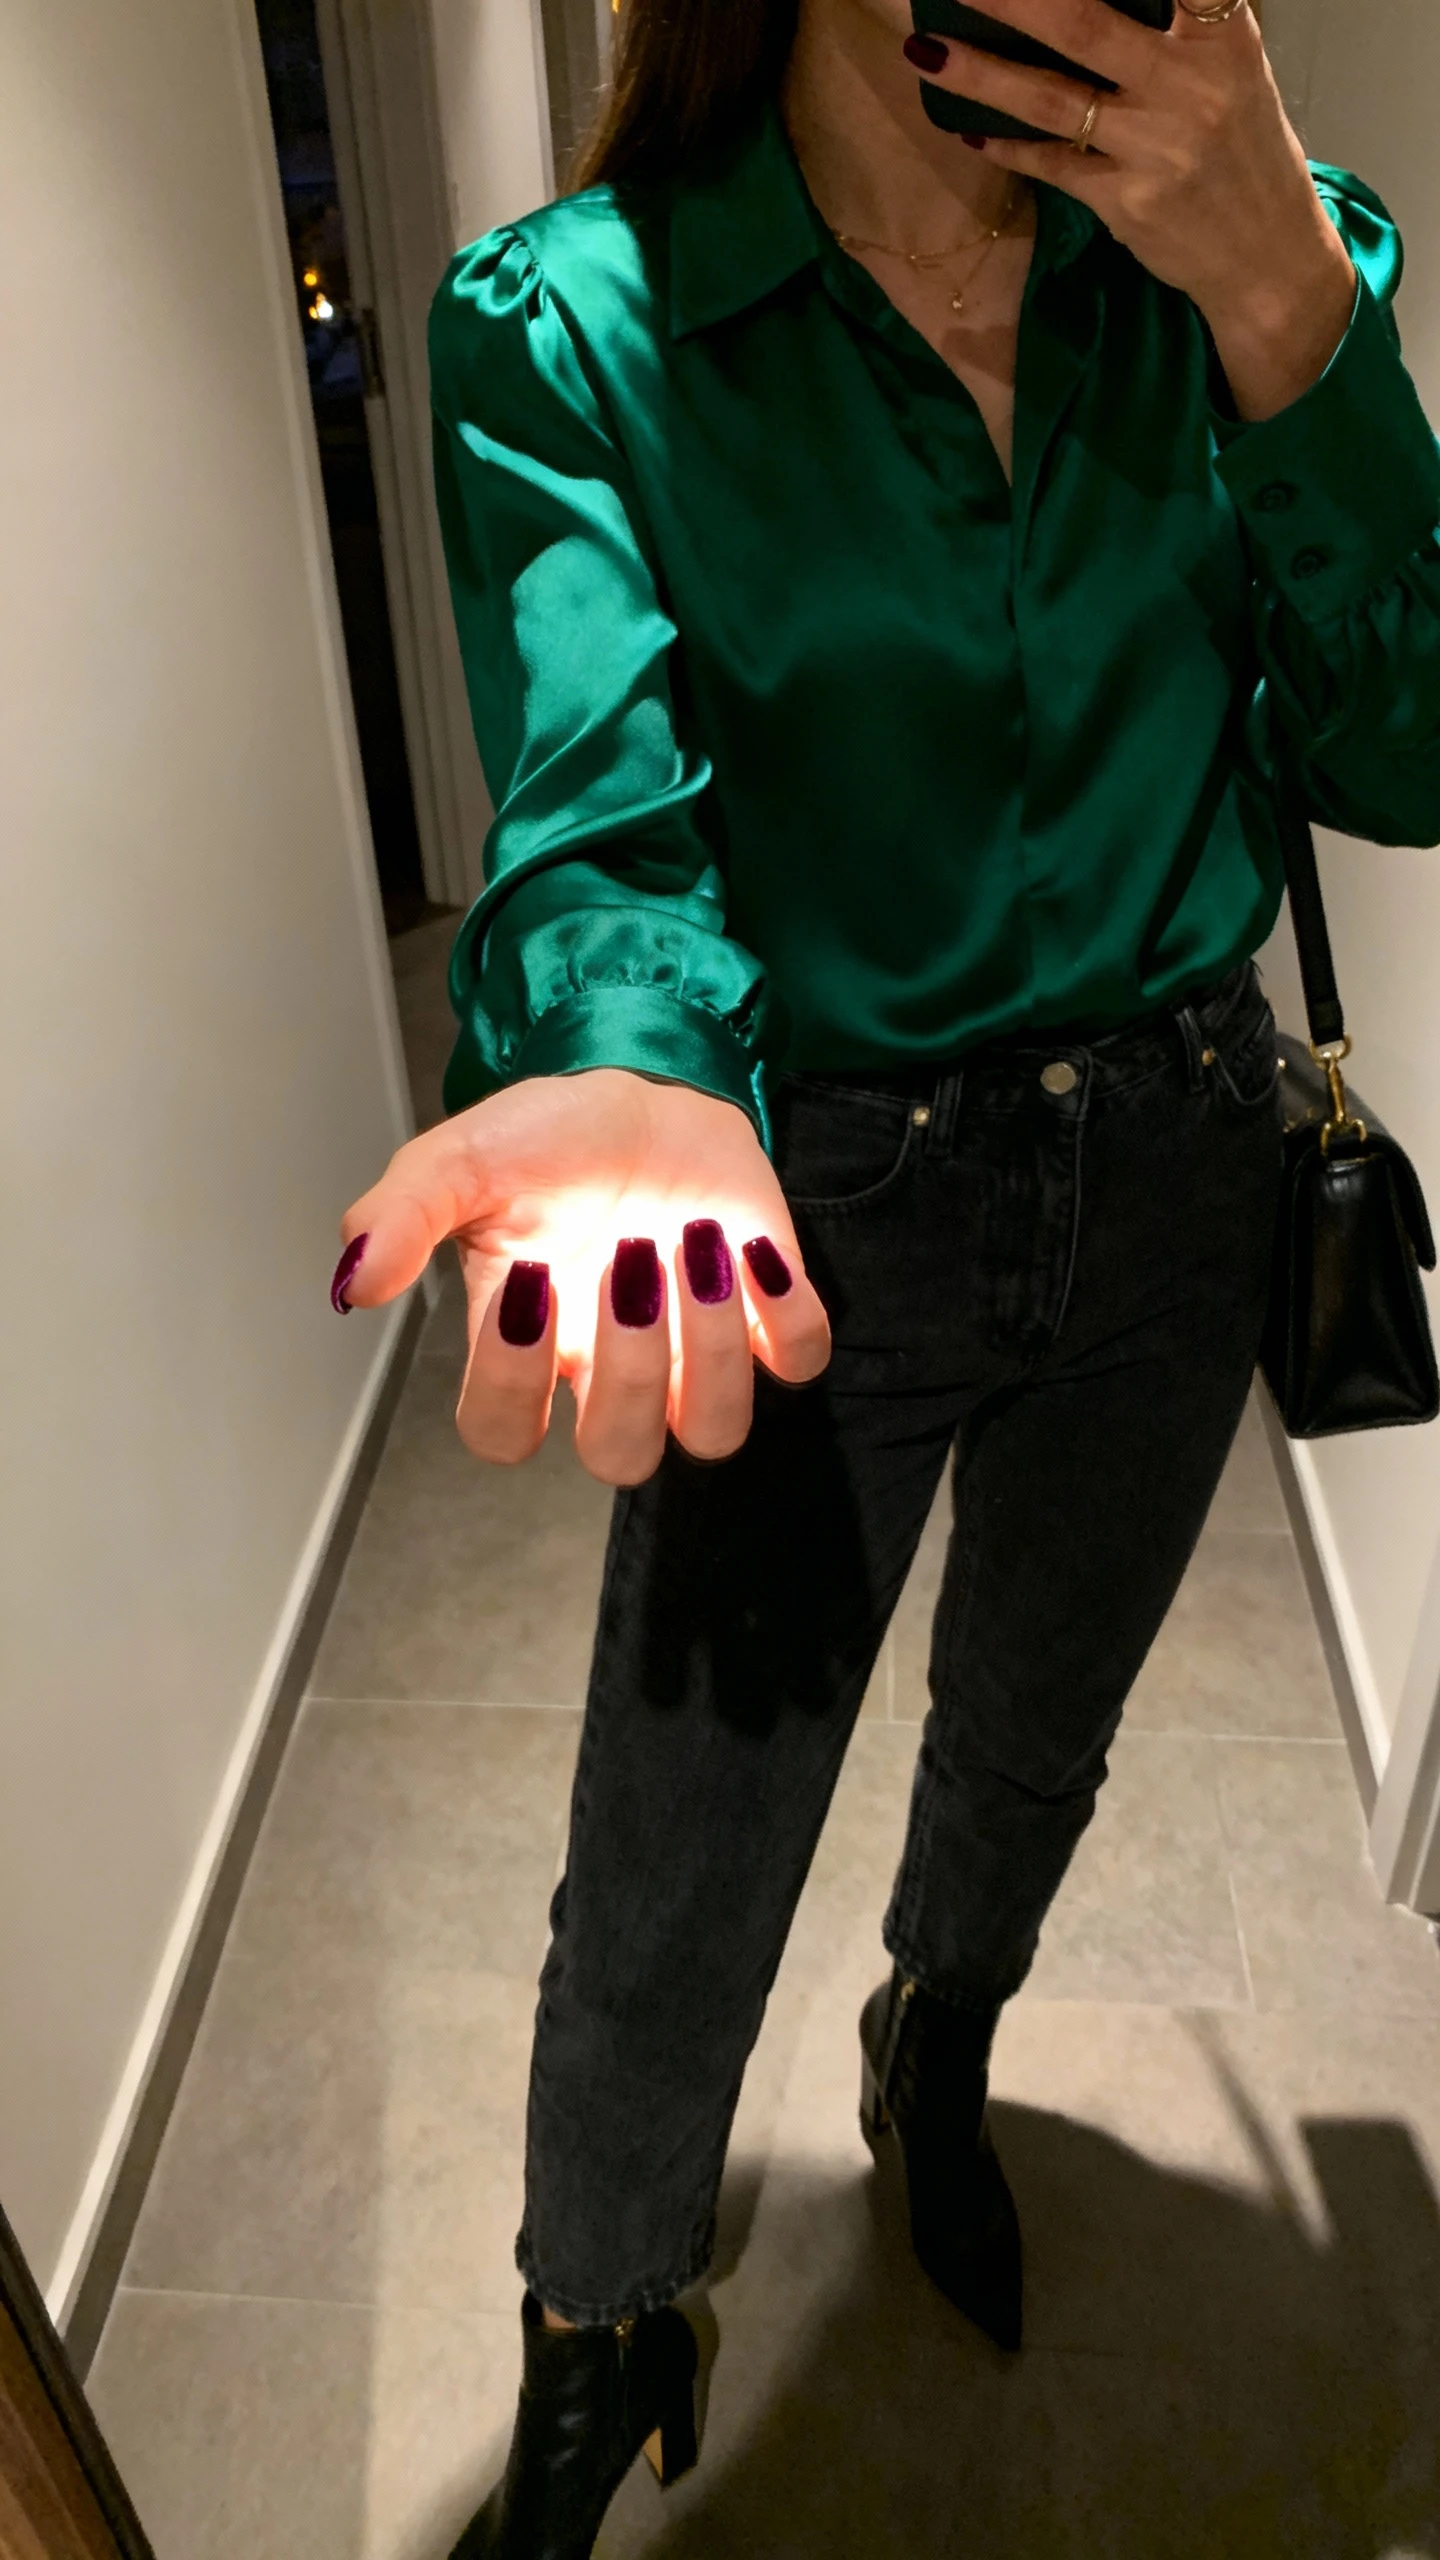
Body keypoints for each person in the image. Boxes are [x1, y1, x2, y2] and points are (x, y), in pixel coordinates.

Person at [332, 0, 1440, 2546]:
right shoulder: (578, 318)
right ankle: (594, 2305)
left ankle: (937, 2039)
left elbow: (1411, 756)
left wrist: (1297, 327)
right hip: (815, 1213)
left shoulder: (1266, 268)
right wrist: (629, 1052)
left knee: (1036, 1724)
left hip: (1180, 1163)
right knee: (675, 1850)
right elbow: (602, 820)